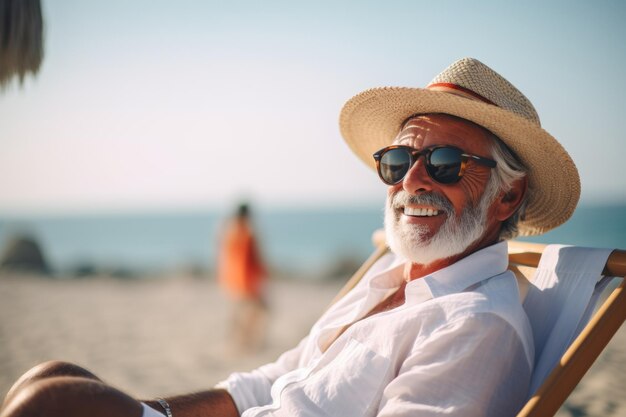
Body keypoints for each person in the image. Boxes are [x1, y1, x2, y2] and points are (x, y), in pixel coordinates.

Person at [0, 57, 580, 417]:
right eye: (399, 159)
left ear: (507, 195)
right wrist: (151, 412)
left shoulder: (476, 326)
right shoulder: (388, 279)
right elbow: (275, 383)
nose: (412, 180)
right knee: (52, 378)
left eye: (447, 162)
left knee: (50, 403)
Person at [217, 202, 268, 351]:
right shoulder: (248, 233)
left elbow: (226, 256)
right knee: (258, 310)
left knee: (238, 311)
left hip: (233, 279)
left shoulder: (228, 232)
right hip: (247, 280)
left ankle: (238, 341)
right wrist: (263, 274)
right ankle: (248, 341)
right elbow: (255, 259)